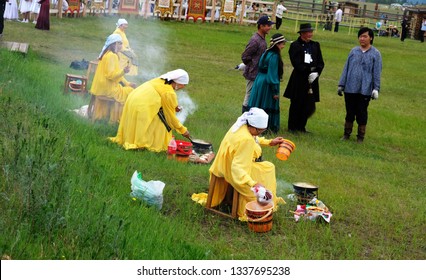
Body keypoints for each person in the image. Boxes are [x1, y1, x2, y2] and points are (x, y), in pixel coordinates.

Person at [207, 107, 285, 221]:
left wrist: (269, 142)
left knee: (268, 166)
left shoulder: (241, 126)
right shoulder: (246, 140)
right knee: (267, 169)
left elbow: (255, 138)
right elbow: (238, 168)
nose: (260, 133)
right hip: (231, 169)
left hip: (223, 163)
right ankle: (258, 205)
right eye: (260, 131)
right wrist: (253, 183)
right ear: (253, 127)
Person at [109, 69, 191, 151]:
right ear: (178, 82)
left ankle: (130, 139)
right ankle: (146, 144)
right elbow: (170, 117)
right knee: (162, 123)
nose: (183, 87)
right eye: (183, 85)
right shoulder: (169, 92)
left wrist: (174, 107)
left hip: (132, 100)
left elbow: (162, 100)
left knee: (157, 117)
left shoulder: (159, 80)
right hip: (141, 106)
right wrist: (183, 130)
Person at [337, 27, 382, 143]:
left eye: (365, 36)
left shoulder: (376, 54)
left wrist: (376, 88)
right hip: (350, 87)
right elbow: (346, 68)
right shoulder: (353, 51)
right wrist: (341, 84)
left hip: (365, 89)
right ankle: (346, 134)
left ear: (371, 38)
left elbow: (376, 72)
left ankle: (360, 136)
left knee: (362, 112)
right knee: (350, 112)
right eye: (360, 36)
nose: (362, 39)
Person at [283, 23, 324, 133]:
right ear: (302, 33)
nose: (310, 34)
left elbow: (320, 61)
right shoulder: (295, 45)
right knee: (296, 102)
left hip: (313, 78)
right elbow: (296, 62)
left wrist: (316, 72)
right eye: (308, 32)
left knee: (308, 102)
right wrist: (306, 72)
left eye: (311, 32)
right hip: (299, 78)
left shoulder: (315, 45)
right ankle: (292, 127)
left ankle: (302, 127)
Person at [90, 34, 136, 123]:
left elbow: (116, 73)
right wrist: (123, 71)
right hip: (107, 88)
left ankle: (109, 118)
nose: (121, 46)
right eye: (119, 43)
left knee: (128, 88)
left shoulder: (106, 54)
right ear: (113, 44)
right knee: (130, 92)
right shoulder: (112, 56)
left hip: (101, 87)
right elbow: (111, 75)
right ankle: (116, 121)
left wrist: (128, 83)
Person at [248, 33, 287, 134]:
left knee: (258, 102)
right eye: (282, 44)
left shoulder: (266, 52)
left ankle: (253, 124)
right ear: (277, 44)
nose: (283, 46)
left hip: (259, 80)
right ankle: (266, 127)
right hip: (267, 83)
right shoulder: (274, 56)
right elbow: (272, 74)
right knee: (266, 103)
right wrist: (274, 91)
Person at [241, 15, 274, 113]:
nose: (270, 27)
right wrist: (252, 65)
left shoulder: (262, 39)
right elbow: (245, 56)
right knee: (249, 95)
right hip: (252, 73)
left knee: (254, 96)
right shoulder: (255, 40)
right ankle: (244, 117)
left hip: (258, 73)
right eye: (268, 25)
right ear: (261, 26)